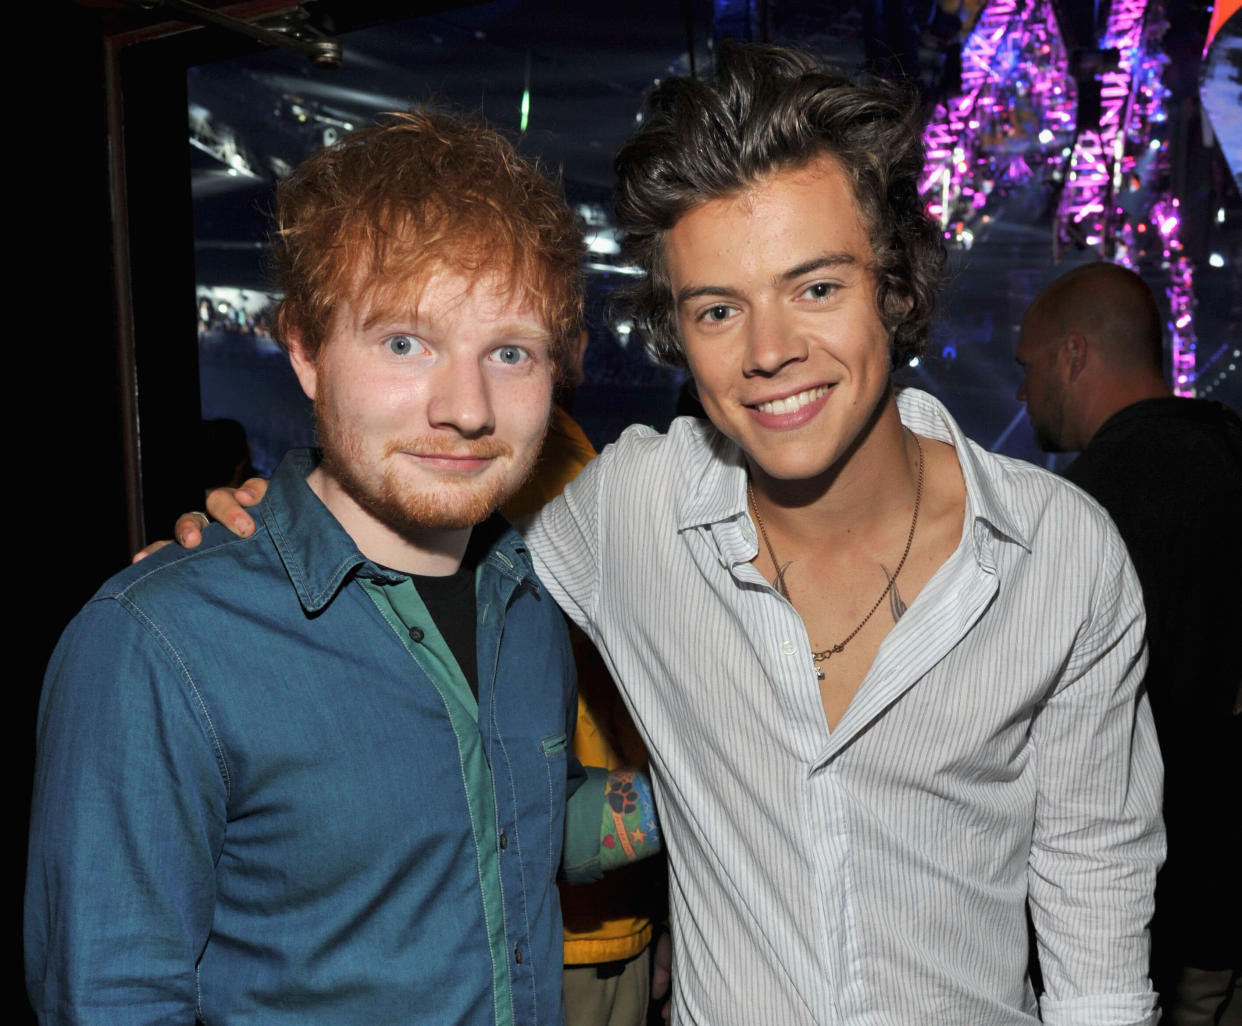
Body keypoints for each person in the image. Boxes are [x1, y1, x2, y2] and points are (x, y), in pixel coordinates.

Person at [179, 43, 1164, 1026]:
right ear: (677, 332)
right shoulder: (629, 513)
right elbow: (417, 520)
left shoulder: (1058, 554)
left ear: (892, 286)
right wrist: (250, 546)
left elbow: (1096, 896)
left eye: (817, 288)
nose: (771, 351)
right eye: (719, 309)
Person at [25, 112, 661, 1025]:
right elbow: (112, 999)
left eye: (510, 352)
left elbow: (515, 821)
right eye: (405, 342)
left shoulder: (527, 598)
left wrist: (716, 778)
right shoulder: (158, 647)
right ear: (307, 352)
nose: (466, 408)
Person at [1017, 261, 1242, 1026]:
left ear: (1074, 355)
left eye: (1029, 365)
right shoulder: (1230, 453)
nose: (1022, 391)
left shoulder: (1088, 511)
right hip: (1220, 905)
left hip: (1137, 926)